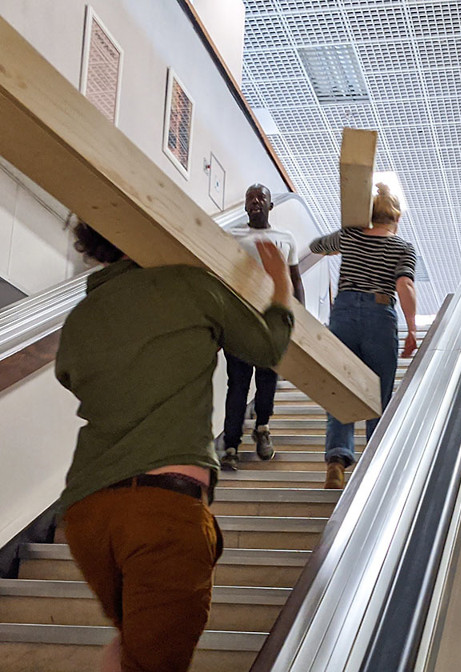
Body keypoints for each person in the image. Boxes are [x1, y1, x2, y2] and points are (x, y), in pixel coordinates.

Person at [55, 221, 294, 672]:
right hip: (162, 513)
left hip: (86, 513)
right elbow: (266, 347)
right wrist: (281, 285)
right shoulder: (189, 284)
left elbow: (70, 376)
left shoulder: (79, 318)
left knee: (133, 650)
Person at [309, 182, 418, 489]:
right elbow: (405, 285)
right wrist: (411, 327)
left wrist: (344, 239)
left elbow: (317, 246)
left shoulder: (351, 236)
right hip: (379, 315)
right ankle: (374, 463)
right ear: (396, 218)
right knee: (378, 394)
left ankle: (336, 462)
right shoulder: (403, 247)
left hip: (343, 314)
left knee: (341, 389)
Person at [221, 184, 305, 470]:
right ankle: (230, 445)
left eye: (261, 198)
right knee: (237, 385)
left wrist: (296, 323)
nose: (255, 201)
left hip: (272, 323)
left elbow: (295, 281)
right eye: (250, 198)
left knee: (267, 379)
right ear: (245, 206)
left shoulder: (285, 238)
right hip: (239, 322)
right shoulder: (232, 236)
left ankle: (262, 428)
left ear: (271, 205)